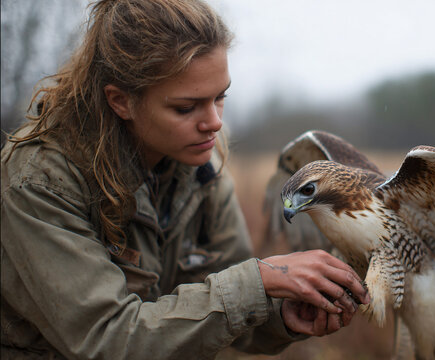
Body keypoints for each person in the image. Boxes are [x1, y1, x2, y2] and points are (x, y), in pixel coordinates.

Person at [0, 1, 369, 359]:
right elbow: (109, 338)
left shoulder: (201, 171)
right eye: (185, 107)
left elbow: (223, 304)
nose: (214, 122)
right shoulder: (40, 183)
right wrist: (259, 280)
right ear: (120, 101)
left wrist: (279, 313)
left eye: (220, 97)